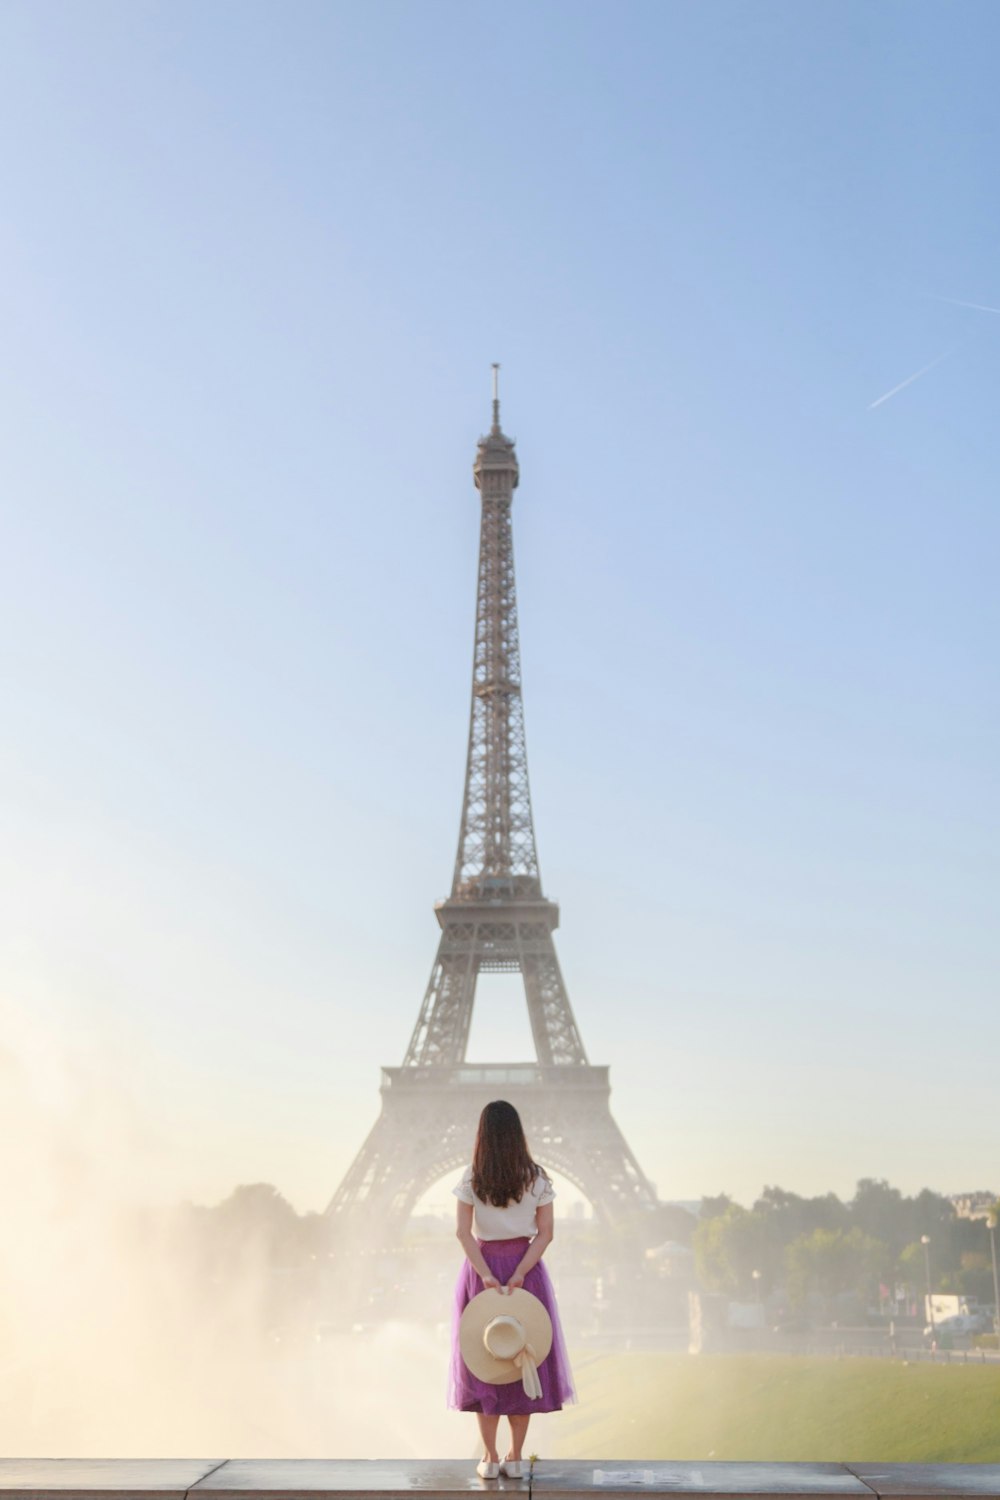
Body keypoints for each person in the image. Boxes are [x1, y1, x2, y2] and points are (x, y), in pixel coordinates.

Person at [448, 1099, 575, 1478]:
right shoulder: (536, 1177)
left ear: (482, 1135)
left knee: (482, 1362)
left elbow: (462, 1232)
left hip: (481, 1269)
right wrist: (520, 1272)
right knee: (524, 1360)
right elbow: (546, 1233)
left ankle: (488, 1458)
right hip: (527, 1271)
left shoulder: (472, 1176)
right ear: (518, 1134)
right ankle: (516, 1456)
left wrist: (486, 1274)